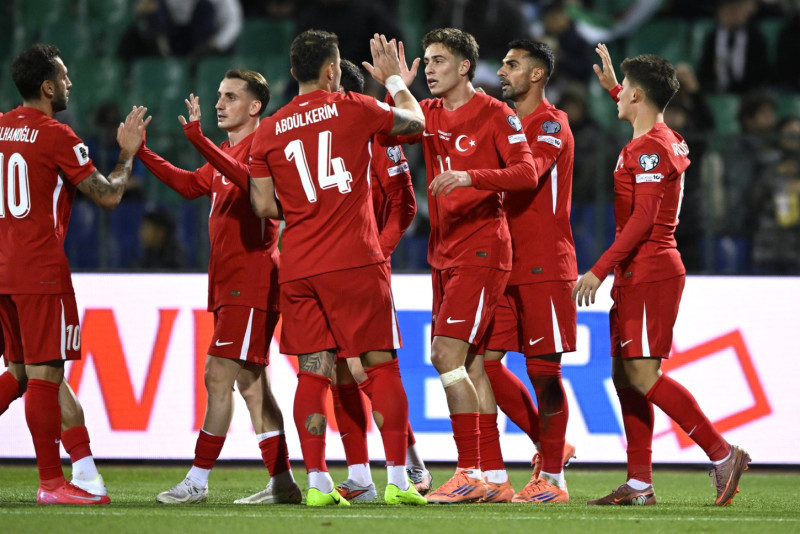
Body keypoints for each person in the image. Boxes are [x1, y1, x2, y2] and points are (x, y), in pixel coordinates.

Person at [248, 30, 427, 507]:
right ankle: (398, 480)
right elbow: (417, 123)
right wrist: (394, 81)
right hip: (354, 260)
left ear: (294, 72)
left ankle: (318, 484)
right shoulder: (355, 108)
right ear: (332, 70)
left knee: (313, 374)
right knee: (381, 368)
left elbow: (262, 205)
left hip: (298, 266)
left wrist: (304, 211)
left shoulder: (268, 130)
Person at [573, 43, 751, 506]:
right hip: (638, 271)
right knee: (624, 374)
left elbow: (643, 219)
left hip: (650, 269)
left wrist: (598, 270)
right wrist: (615, 85)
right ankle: (639, 483)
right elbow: (643, 111)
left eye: (623, 91)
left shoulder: (649, 148)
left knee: (643, 373)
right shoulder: (657, 137)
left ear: (637, 95)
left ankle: (722, 453)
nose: (617, 96)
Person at [133, 68, 301, 505]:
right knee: (252, 383)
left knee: (218, 374)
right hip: (230, 283)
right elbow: (191, 184)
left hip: (252, 280)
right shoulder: (228, 151)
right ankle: (283, 483)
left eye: (230, 97)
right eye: (219, 95)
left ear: (255, 106)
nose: (219, 104)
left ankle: (198, 480)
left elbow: (251, 184)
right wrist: (142, 152)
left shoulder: (264, 146)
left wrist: (200, 141)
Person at [385, 28, 537, 503]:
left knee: (445, 356)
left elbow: (527, 172)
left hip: (482, 250)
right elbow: (390, 128)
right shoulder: (427, 113)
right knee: (473, 365)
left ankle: (468, 471)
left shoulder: (495, 113)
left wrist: (472, 176)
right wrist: (395, 83)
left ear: (465, 66)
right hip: (445, 253)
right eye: (427, 61)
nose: (430, 69)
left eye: (439, 61)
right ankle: (494, 477)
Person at [0, 44, 149, 505]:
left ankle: (84, 473)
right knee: (45, 375)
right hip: (39, 271)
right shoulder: (56, 135)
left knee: (21, 374)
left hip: (3, 269)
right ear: (47, 87)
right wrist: (127, 155)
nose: (69, 83)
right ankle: (51, 483)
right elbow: (109, 195)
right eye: (63, 77)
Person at [330, 59, 432, 501]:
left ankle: (412, 464)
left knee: (367, 367)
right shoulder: (316, 141)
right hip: (324, 268)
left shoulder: (377, 137)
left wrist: (377, 252)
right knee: (338, 368)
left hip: (365, 268)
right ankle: (359, 476)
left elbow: (405, 205)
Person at [482, 39, 577, 504]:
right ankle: (549, 445)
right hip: (504, 262)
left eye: (512, 64)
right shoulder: (504, 123)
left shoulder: (551, 124)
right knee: (483, 363)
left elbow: (529, 173)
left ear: (537, 74)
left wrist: (472, 176)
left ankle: (553, 480)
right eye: (502, 63)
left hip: (545, 262)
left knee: (543, 372)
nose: (502, 71)